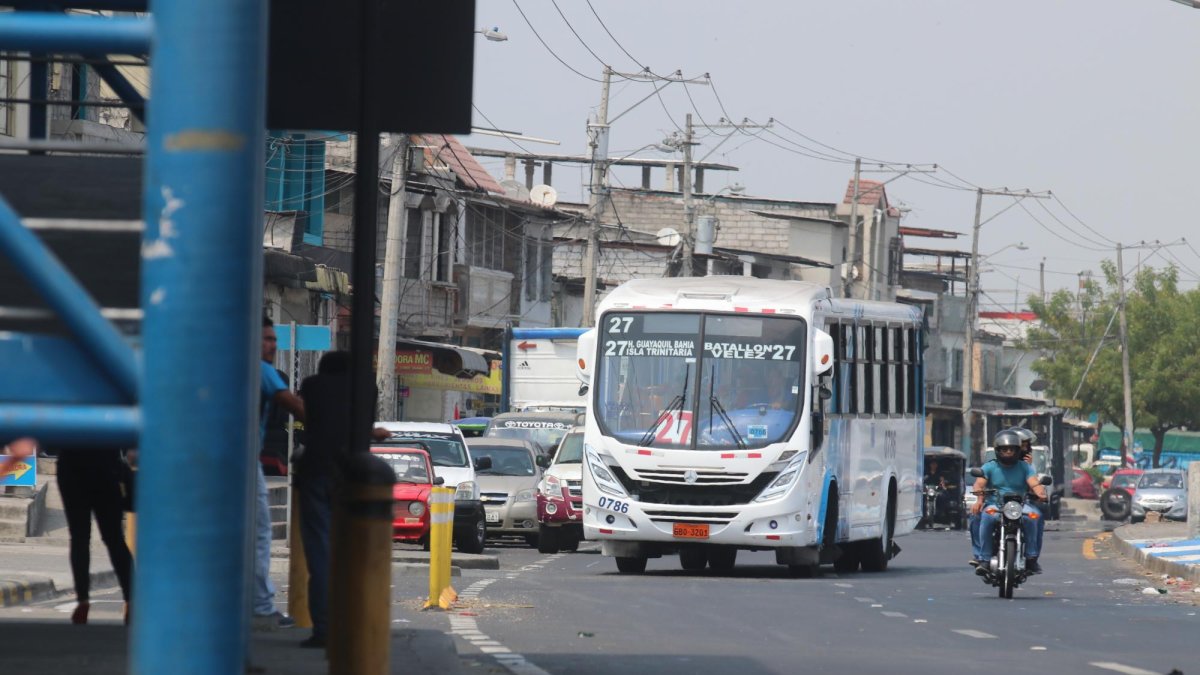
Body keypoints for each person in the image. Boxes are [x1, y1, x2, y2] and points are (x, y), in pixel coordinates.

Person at [295, 350, 391, 649]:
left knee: (320, 553)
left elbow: (316, 421)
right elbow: (354, 425)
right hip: (356, 476)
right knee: (355, 553)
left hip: (316, 472)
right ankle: (358, 623)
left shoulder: (311, 386)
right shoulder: (367, 389)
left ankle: (323, 629)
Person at [2, 437, 133, 625]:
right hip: (105, 467)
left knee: (79, 538)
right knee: (114, 539)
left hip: (72, 467)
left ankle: (82, 600)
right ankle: (130, 599)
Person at [258, 318, 306, 627]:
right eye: (266, 339)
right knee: (261, 533)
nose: (273, 345)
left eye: (275, 339)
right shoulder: (263, 371)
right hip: (240, 464)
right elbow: (296, 407)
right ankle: (260, 607)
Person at [969, 430, 1048, 574]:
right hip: (995, 505)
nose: (1008, 452)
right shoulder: (990, 466)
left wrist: (1041, 493)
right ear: (998, 450)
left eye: (1012, 449)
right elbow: (979, 485)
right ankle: (984, 560)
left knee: (1033, 517)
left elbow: (1034, 483)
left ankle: (1031, 558)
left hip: (1020, 506)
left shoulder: (1025, 467)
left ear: (1018, 450)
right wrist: (979, 500)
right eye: (1005, 449)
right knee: (986, 516)